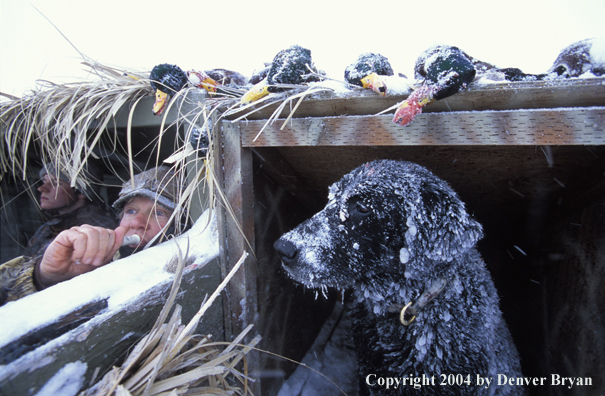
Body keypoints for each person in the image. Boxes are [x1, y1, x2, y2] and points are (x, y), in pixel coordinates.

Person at [0, 166, 185, 306]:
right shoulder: (98, 259)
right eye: (130, 210)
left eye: (159, 212)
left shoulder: (183, 266)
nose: (136, 222)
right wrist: (43, 277)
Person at [26, 162, 117, 258]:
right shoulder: (48, 226)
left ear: (81, 192)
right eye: (44, 181)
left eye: (56, 183)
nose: (41, 188)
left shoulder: (100, 229)